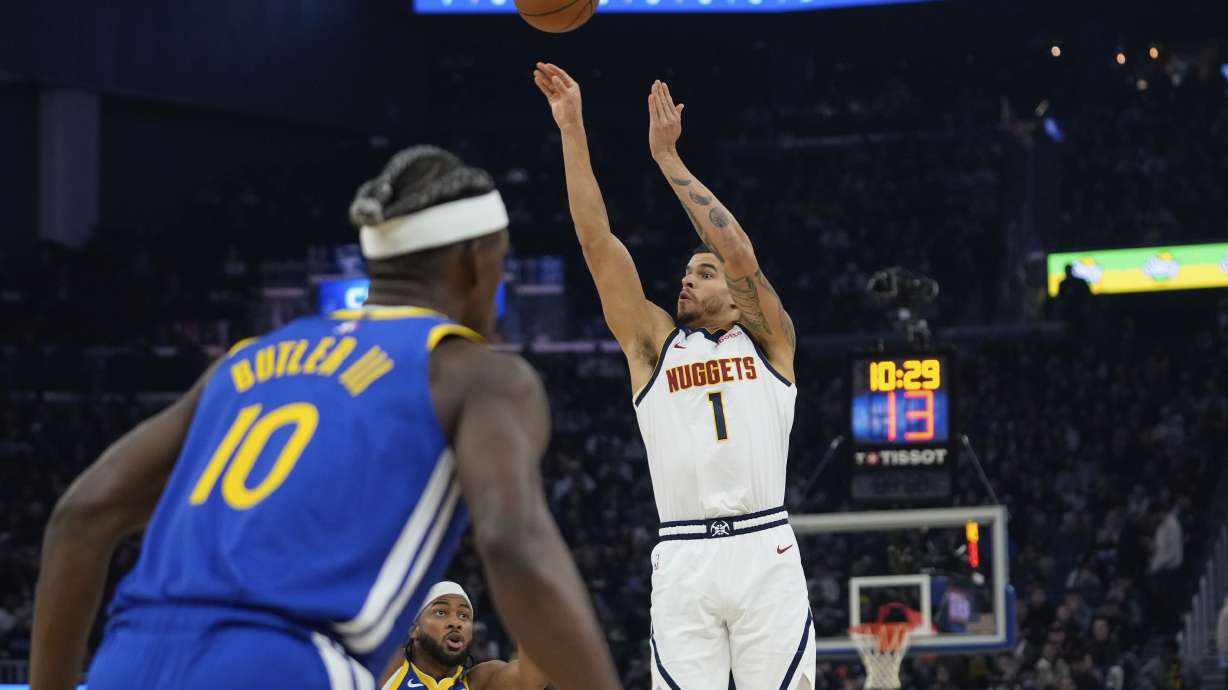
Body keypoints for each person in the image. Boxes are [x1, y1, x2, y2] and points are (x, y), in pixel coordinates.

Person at [29, 146, 622, 690]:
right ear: (473, 260)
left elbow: (81, 514)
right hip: (279, 664)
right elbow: (510, 543)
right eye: (501, 258)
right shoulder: (474, 374)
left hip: (127, 658)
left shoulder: (246, 360)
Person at [533, 63, 814, 690]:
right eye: (686, 272)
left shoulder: (771, 341)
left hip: (765, 547)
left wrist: (667, 158)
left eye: (703, 273)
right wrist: (572, 128)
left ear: (736, 297)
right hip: (684, 554)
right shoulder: (653, 346)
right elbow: (597, 243)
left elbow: (739, 255)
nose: (687, 278)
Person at [379, 582, 547, 690]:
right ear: (413, 630)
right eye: (441, 612)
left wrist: (531, 606)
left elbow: (532, 680)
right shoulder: (389, 669)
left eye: (463, 616)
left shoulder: (479, 682)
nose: (456, 623)